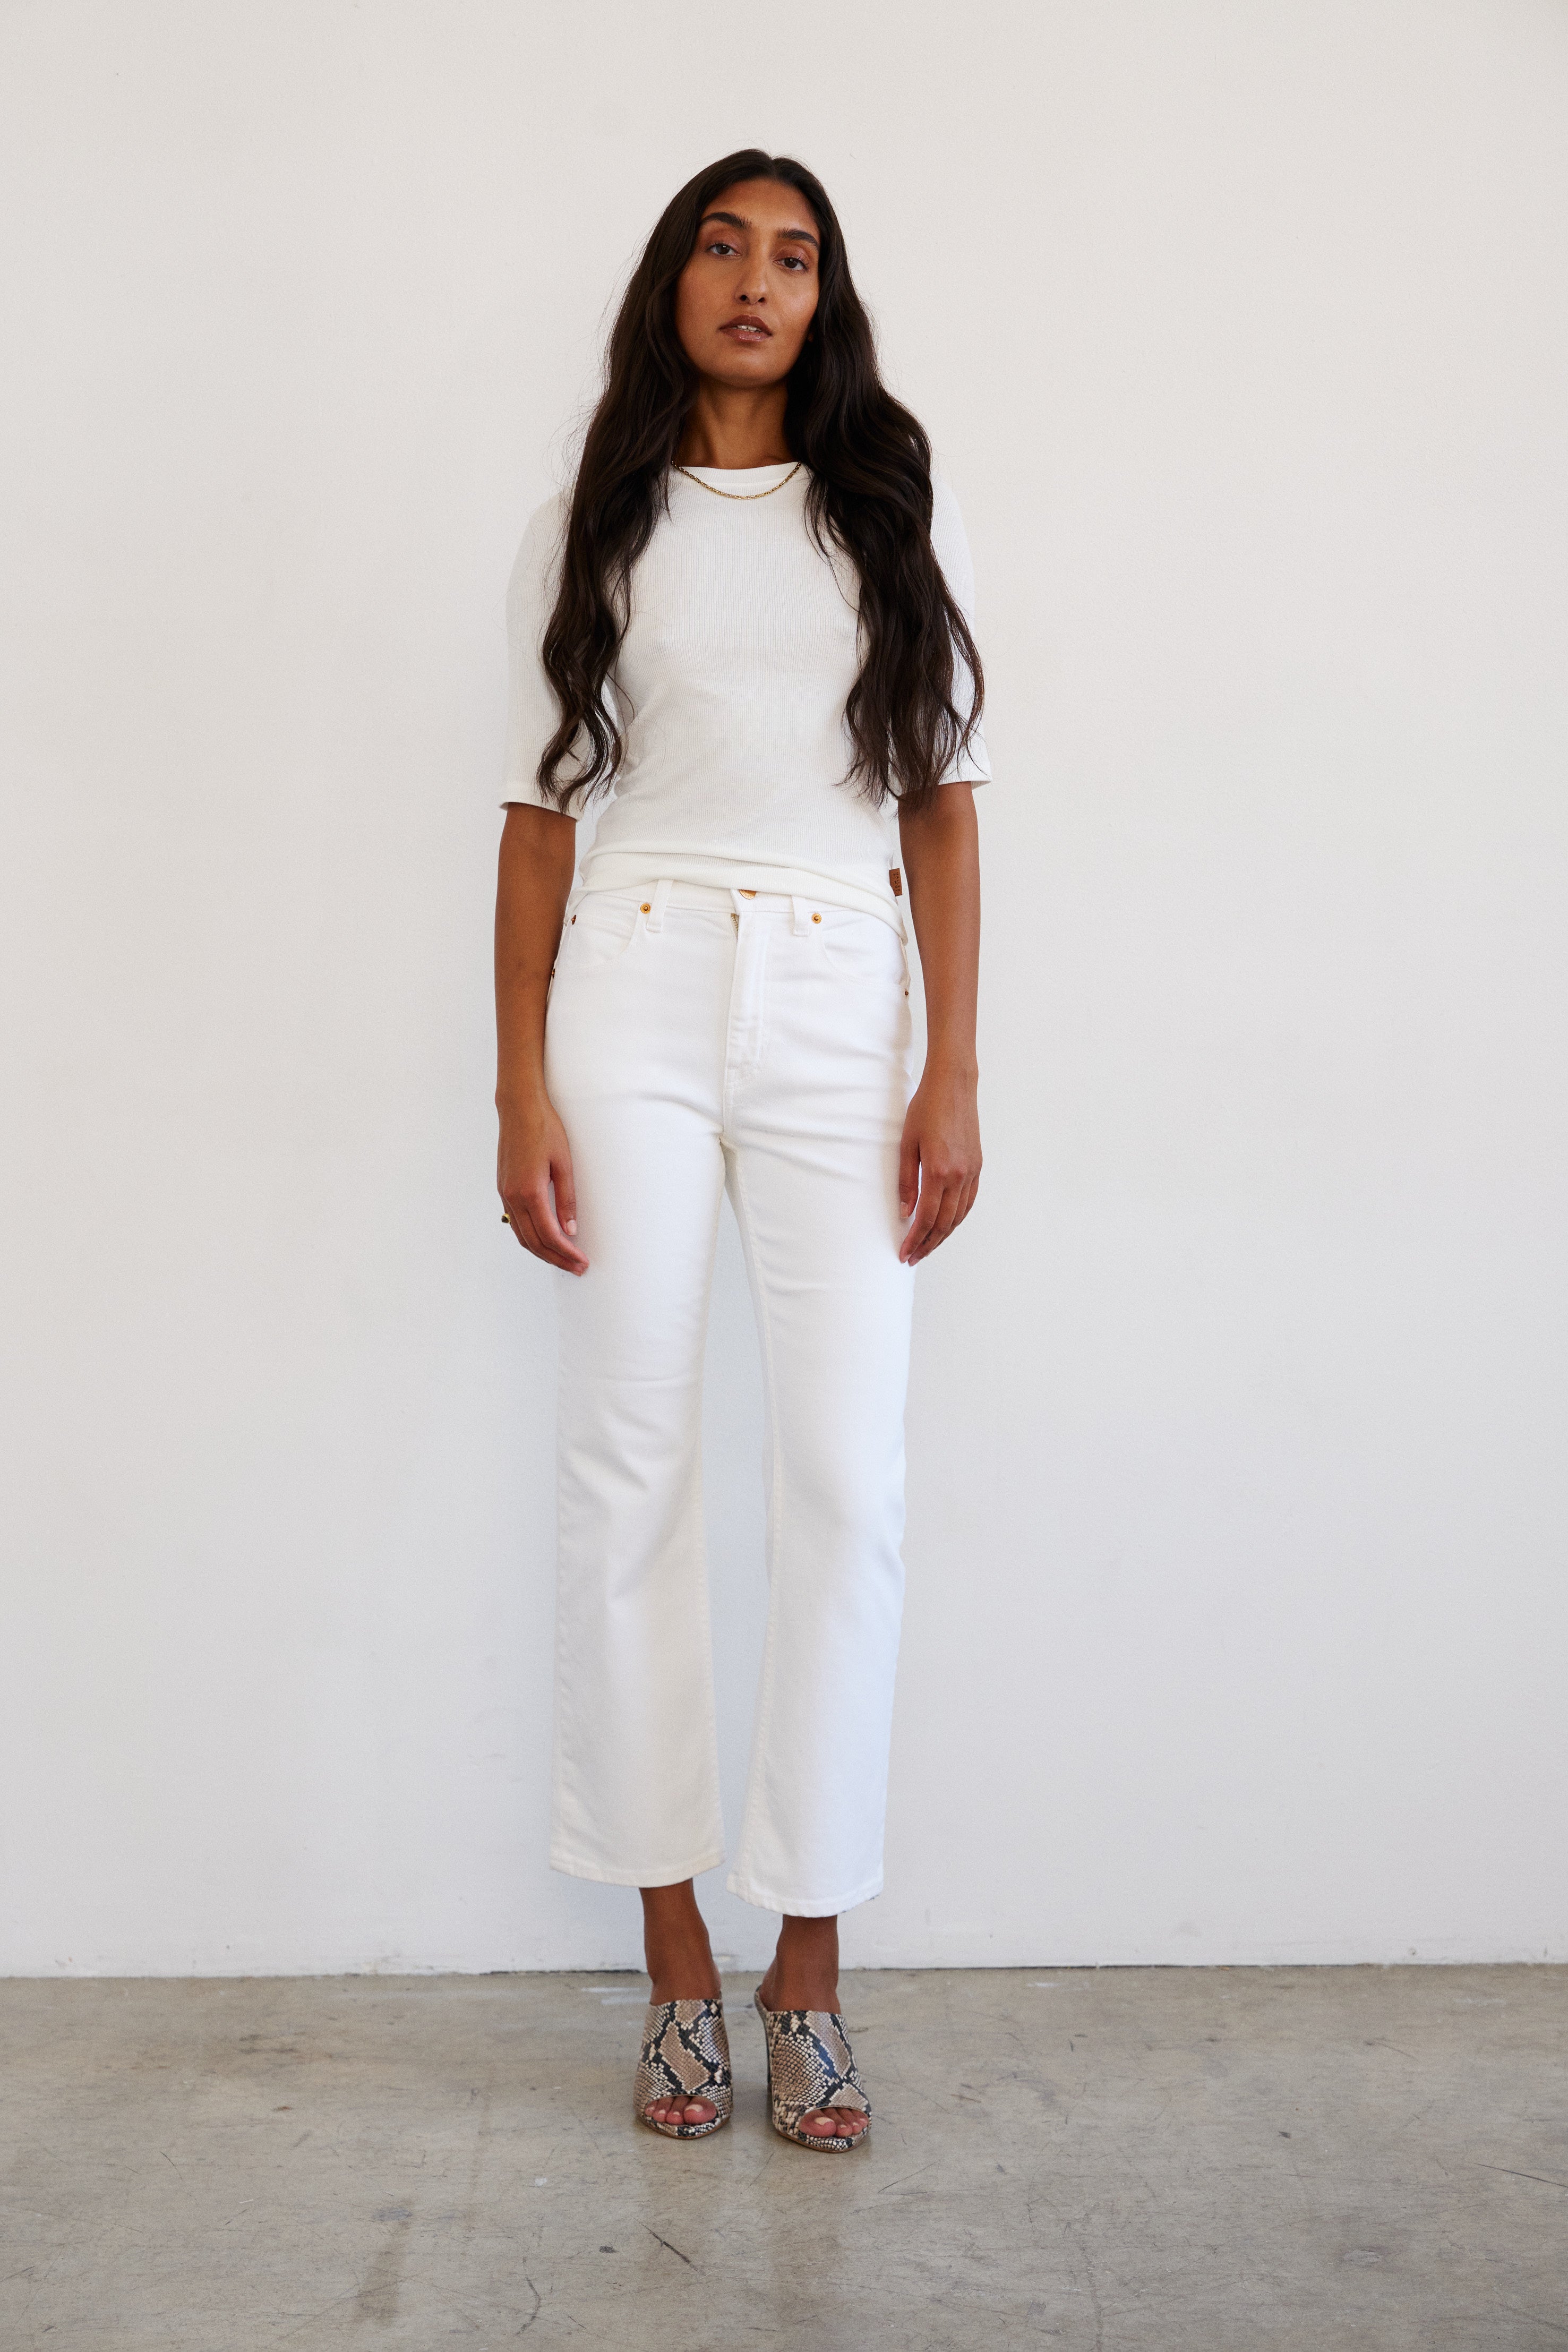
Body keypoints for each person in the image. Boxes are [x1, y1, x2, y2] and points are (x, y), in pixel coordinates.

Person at [494, 148, 988, 2151]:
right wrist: (517, 1088)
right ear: (673, 282)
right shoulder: (591, 523)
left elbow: (938, 801)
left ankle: (813, 1967)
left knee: (845, 1482)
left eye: (793, 256)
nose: (756, 282)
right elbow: (537, 816)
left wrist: (950, 1070)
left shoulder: (883, 509)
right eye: (723, 246)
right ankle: (676, 1962)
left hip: (839, 994)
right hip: (626, 983)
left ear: (825, 298)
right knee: (629, 1464)